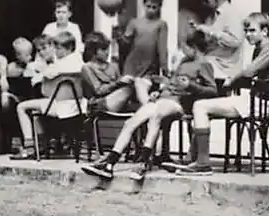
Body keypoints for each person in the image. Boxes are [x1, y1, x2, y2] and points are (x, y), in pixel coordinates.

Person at [81, 29, 217, 181]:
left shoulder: (204, 64)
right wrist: (159, 91)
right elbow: (172, 84)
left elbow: (213, 90)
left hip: (178, 103)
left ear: (194, 47)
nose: (182, 50)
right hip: (163, 99)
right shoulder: (184, 62)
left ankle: (143, 162)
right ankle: (109, 164)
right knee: (131, 122)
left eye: (184, 47)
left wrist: (191, 86)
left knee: (156, 116)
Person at [171, 12, 269, 176]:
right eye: (246, 31)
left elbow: (249, 72)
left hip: (265, 103)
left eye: (252, 30)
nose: (248, 35)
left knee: (200, 106)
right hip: (258, 100)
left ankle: (202, 163)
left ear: (265, 31)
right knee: (204, 109)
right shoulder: (261, 47)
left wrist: (231, 80)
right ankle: (192, 158)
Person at [11, 32, 85, 161]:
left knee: (22, 107)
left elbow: (42, 86)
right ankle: (48, 143)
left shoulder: (59, 65)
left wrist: (39, 75)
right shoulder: (80, 63)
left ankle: (30, 147)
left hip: (60, 107)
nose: (56, 51)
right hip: (79, 107)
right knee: (39, 106)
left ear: (68, 49)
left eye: (58, 48)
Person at [117, 0, 170, 107]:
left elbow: (162, 48)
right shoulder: (134, 22)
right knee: (128, 93)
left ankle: (148, 109)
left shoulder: (161, 24)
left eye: (154, 7)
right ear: (144, 5)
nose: (151, 10)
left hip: (149, 66)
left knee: (144, 90)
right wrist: (120, 36)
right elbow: (125, 44)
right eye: (148, 6)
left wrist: (165, 68)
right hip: (132, 63)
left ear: (160, 7)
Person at [192, 0, 245, 79]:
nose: (203, 4)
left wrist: (210, 31)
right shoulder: (211, 16)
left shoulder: (232, 13)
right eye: (201, 1)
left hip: (225, 71)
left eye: (206, 0)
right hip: (210, 65)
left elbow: (236, 42)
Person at [81, 31, 131, 114]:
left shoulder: (113, 66)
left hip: (115, 100)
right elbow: (98, 90)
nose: (107, 52)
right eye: (103, 49)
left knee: (135, 85)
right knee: (129, 90)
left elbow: (120, 88)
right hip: (98, 104)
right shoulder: (87, 67)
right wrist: (118, 82)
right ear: (93, 51)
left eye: (108, 49)